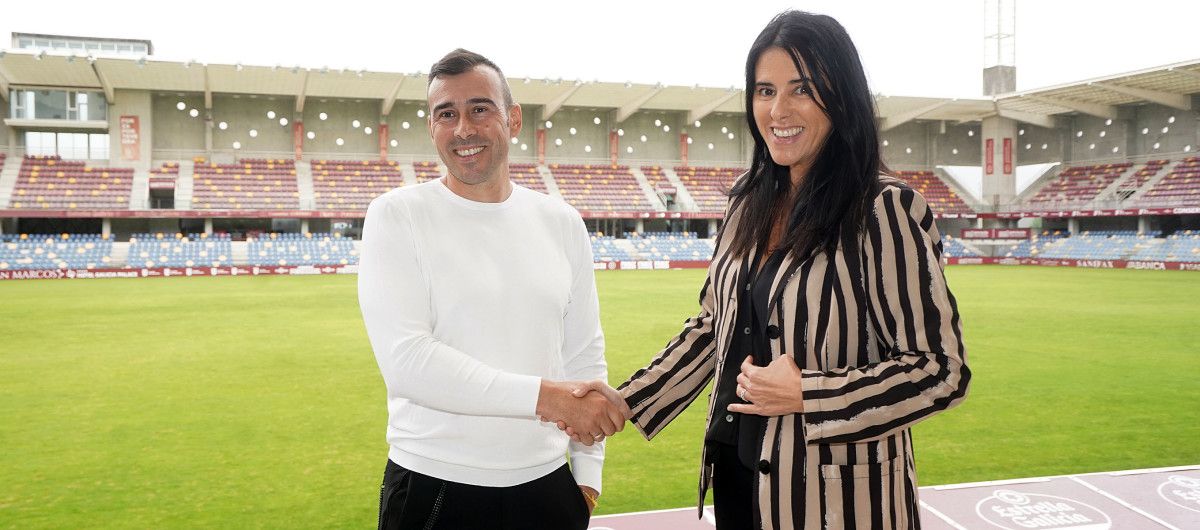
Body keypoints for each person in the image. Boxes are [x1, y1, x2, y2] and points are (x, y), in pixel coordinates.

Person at [570, 11, 970, 530]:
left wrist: (810, 394)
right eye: (764, 90)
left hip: (839, 504)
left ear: (841, 95)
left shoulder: (882, 209)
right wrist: (627, 401)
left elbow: (941, 369)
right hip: (741, 483)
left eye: (801, 89)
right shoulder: (746, 202)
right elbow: (715, 329)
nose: (778, 109)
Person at [358, 48, 626, 530]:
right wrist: (548, 398)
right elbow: (409, 362)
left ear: (513, 118)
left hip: (547, 488)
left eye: (479, 108)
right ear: (432, 126)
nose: (463, 128)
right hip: (435, 484)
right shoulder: (396, 215)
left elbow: (584, 352)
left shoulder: (562, 223)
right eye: (447, 113)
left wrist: (587, 476)